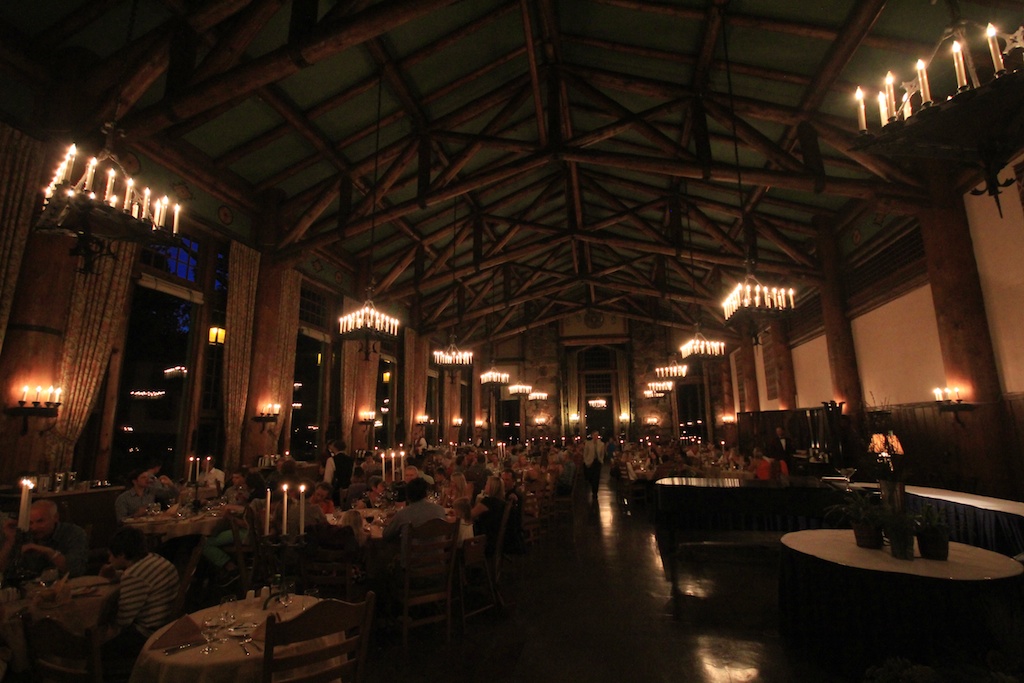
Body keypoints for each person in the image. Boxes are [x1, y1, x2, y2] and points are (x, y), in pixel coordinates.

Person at [99, 526, 179, 666]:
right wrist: (117, 575)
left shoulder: (133, 576)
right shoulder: (153, 559)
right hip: (167, 621)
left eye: (111, 555)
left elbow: (123, 621)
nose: (109, 559)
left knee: (93, 647)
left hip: (148, 634)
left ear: (122, 555)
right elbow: (144, 578)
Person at [0, 499, 89, 578]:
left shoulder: (73, 533)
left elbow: (75, 570)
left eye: (40, 521)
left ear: (55, 517)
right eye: (30, 523)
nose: (34, 527)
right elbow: (3, 570)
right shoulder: (25, 534)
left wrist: (47, 551)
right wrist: (10, 540)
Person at [382, 478, 447, 543]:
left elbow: (386, 535)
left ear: (407, 496)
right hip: (439, 551)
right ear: (426, 493)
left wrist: (387, 523)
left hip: (412, 553)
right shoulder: (440, 510)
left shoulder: (403, 514)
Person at [471, 476, 506, 555]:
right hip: (495, 538)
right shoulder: (501, 502)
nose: (485, 486)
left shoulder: (488, 502)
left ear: (492, 487)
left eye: (487, 484)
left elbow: (470, 515)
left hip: (484, 539)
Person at [582, 430, 606, 501]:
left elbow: (602, 454)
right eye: (594, 435)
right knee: (590, 476)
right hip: (590, 461)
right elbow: (585, 453)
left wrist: (601, 460)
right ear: (592, 436)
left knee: (596, 477)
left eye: (597, 435)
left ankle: (595, 492)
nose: (596, 436)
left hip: (597, 462)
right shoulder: (588, 443)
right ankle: (592, 486)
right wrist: (586, 461)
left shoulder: (601, 444)